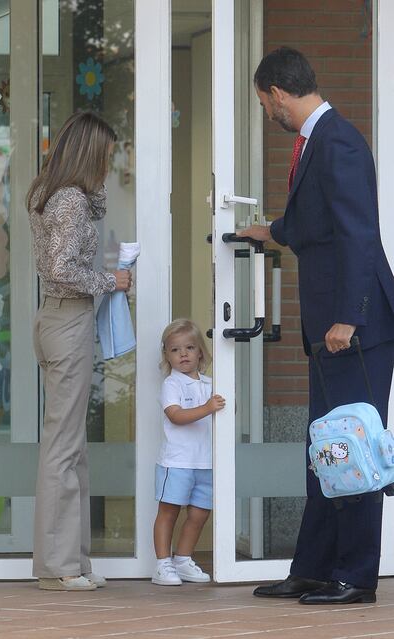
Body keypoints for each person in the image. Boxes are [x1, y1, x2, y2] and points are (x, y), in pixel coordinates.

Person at [238, 47, 394, 604]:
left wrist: (347, 319)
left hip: (353, 328)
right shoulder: (317, 143)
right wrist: (270, 231)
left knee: (351, 449)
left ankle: (354, 578)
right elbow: (314, 222)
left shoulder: (339, 141)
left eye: (263, 103)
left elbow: (357, 234)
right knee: (323, 450)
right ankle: (314, 568)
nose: (267, 113)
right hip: (331, 326)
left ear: (278, 94)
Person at [26, 111, 132, 591]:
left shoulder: (56, 192)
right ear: (90, 153)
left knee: (70, 445)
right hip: (67, 316)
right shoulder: (68, 199)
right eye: (106, 155)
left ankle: (74, 560)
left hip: (59, 318)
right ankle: (58, 567)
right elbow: (62, 268)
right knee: (64, 447)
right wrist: (113, 280)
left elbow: (93, 214)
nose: (109, 164)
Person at [152, 318, 225, 586]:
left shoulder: (211, 384)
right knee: (169, 511)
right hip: (177, 461)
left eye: (189, 348)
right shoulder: (172, 384)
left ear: (200, 353)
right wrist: (207, 408)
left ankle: (183, 560)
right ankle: (162, 565)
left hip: (205, 462)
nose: (183, 354)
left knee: (199, 514)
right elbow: (176, 416)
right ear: (167, 356)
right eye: (175, 350)